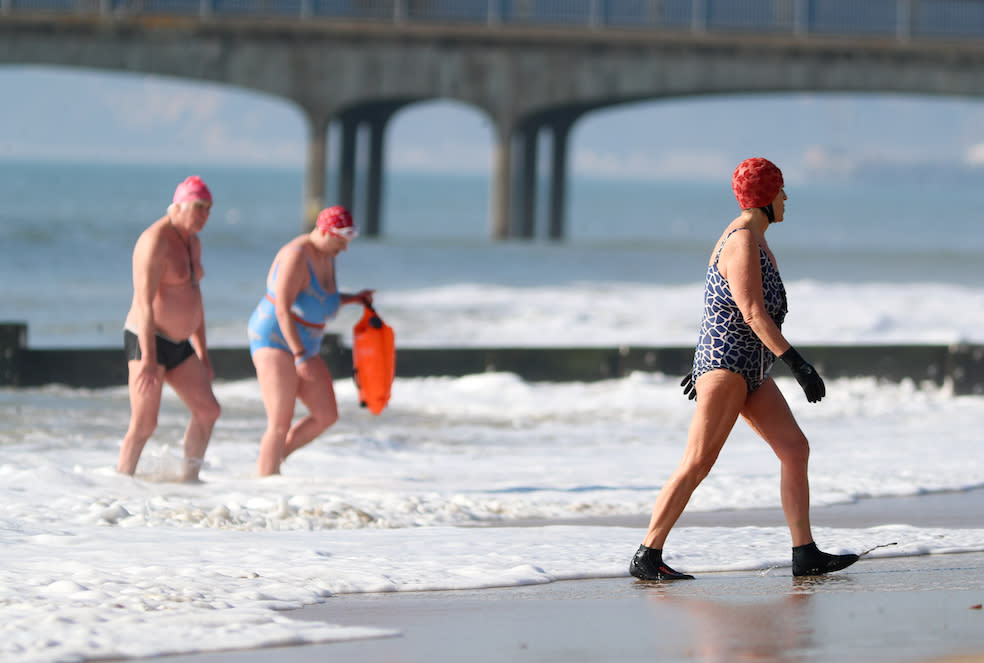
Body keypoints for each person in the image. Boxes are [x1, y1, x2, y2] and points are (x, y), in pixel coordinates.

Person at [630, 158, 859, 580]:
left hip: (749, 368)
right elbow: (752, 312)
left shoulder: (756, 239)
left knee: (795, 449)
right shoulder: (741, 241)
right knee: (698, 461)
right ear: (766, 196)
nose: (786, 198)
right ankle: (647, 553)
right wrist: (798, 364)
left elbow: (724, 307)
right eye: (781, 190)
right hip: (729, 367)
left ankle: (805, 553)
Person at [247, 205, 374, 476]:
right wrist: (300, 355)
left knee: (326, 415)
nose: (345, 249)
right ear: (325, 232)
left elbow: (318, 300)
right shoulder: (296, 257)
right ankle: (264, 486)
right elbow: (283, 309)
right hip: (274, 338)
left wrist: (353, 298)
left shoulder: (328, 253)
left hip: (306, 343)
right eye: (341, 241)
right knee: (280, 421)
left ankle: (271, 464)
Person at [120, 175, 221, 481]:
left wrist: (202, 351)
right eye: (198, 207)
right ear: (178, 206)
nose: (204, 215)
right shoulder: (154, 242)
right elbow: (145, 304)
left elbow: (195, 297)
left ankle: (189, 480)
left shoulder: (193, 241)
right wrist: (148, 359)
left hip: (180, 343)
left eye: (208, 209)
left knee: (208, 411)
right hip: (147, 340)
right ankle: (120, 487)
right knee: (144, 425)